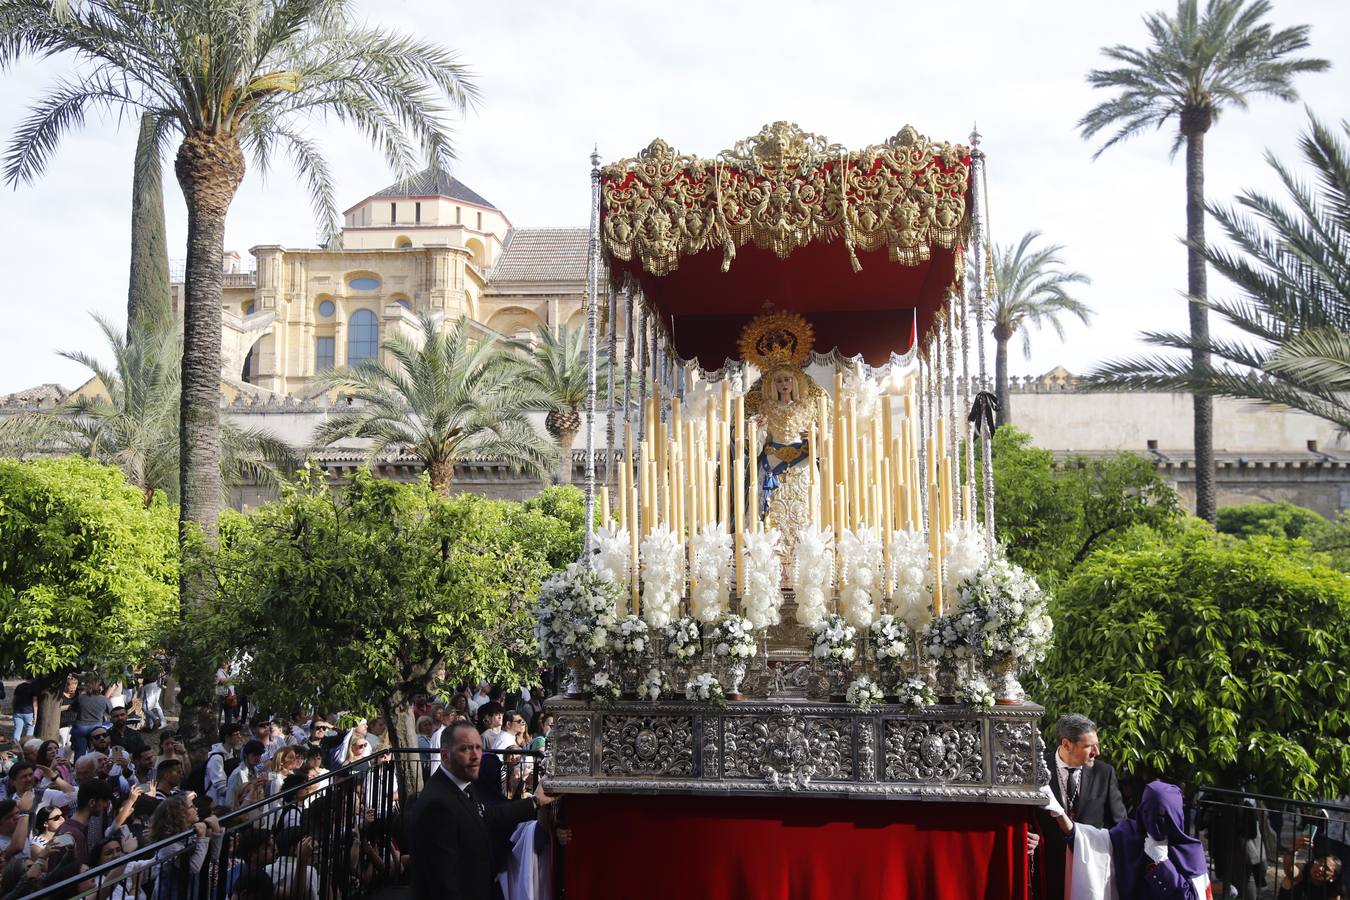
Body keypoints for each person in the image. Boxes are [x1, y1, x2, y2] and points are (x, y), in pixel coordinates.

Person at [409, 721, 554, 900]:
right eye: (466, 749)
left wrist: (535, 802)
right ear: (445, 756)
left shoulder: (464, 786)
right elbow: (443, 882)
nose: (475, 756)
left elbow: (489, 816)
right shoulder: (438, 805)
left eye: (478, 748)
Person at [1041, 780, 1211, 900]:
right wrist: (1060, 814)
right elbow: (1085, 840)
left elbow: (1190, 897)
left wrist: (1163, 864)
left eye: (1163, 816)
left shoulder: (1190, 852)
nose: (1155, 823)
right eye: (1150, 814)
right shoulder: (1126, 835)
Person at [1037, 713, 1128, 900]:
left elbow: (1120, 826)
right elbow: (1025, 816)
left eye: (1096, 744)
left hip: (1090, 871)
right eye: (1088, 746)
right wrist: (1029, 835)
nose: (1097, 752)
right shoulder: (1037, 769)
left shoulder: (1105, 773)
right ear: (1066, 745)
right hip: (1047, 869)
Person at [1278, 834, 1344, 900]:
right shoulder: (1299, 875)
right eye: (1319, 862)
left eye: (1326, 868)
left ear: (1332, 877)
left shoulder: (1333, 889)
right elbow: (1288, 867)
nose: (1320, 868)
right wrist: (1294, 848)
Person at [71, 680, 114, 758]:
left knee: (80, 752)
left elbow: (73, 708)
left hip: (80, 727)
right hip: (96, 727)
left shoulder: (80, 698)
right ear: (99, 688)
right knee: (97, 751)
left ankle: (79, 767)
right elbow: (111, 712)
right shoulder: (104, 699)